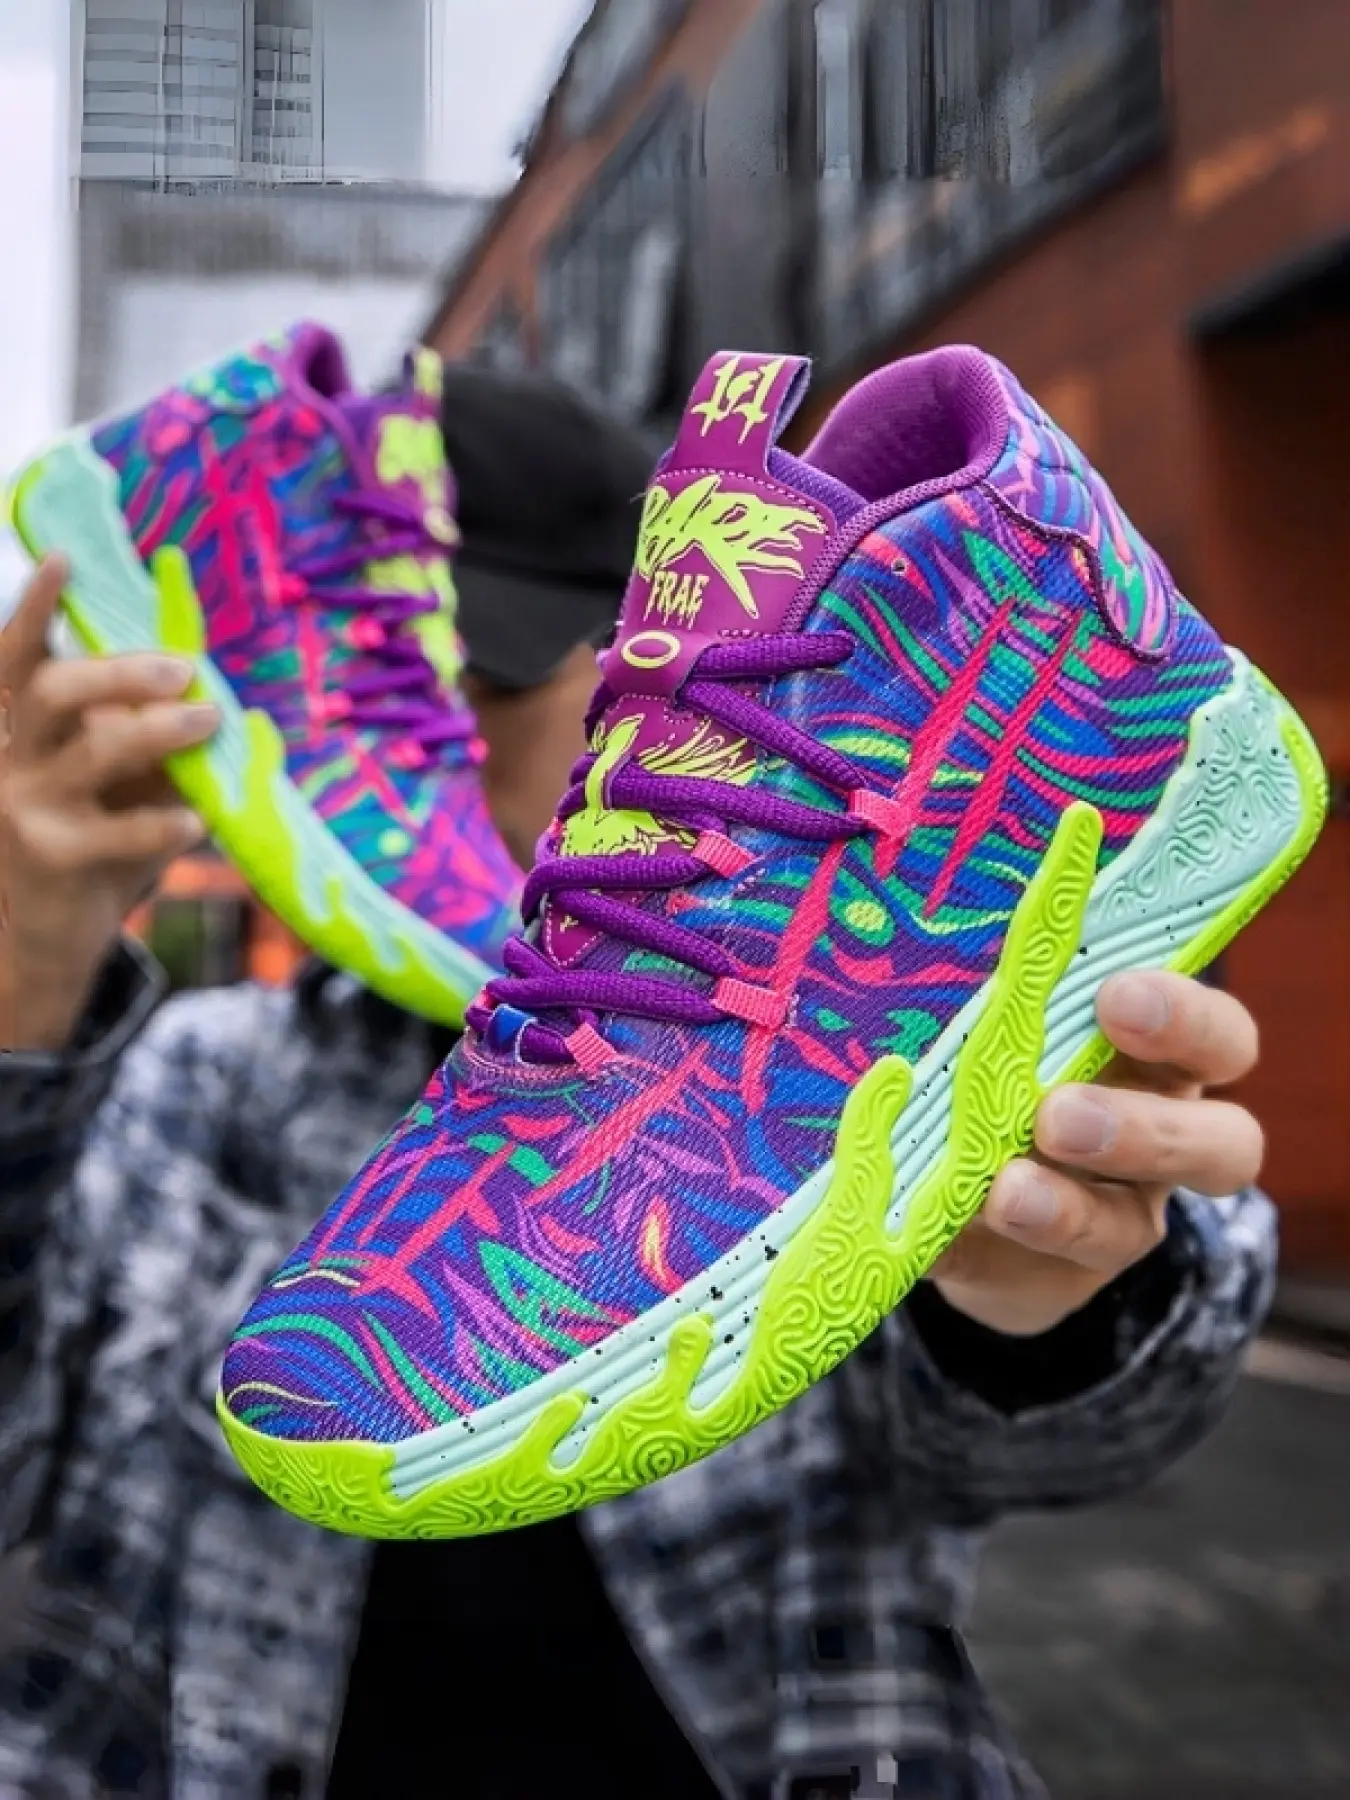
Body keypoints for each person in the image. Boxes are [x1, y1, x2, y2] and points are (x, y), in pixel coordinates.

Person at [0, 367, 1272, 1800]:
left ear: (683, 682)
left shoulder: (879, 991)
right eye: (382, 682)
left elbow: (1077, 1443)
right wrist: (22, 982)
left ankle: (1101, 679)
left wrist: (1040, 1298)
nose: (441, 740)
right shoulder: (195, 1079)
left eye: (487, 678)